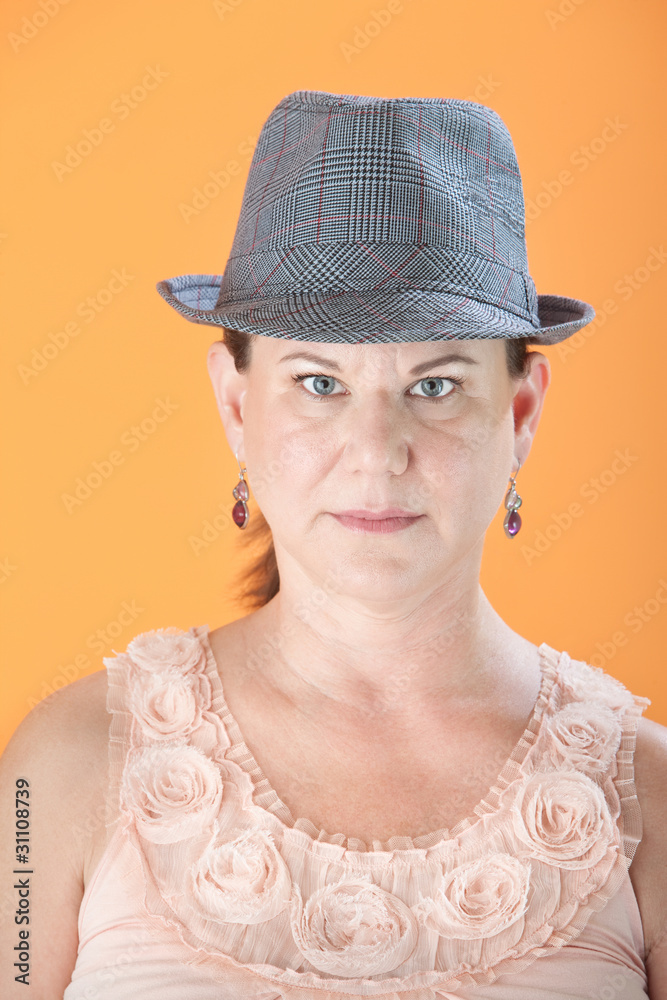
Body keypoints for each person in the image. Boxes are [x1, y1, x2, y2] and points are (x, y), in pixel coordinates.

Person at [1, 89, 665, 999]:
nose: (375, 452)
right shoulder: (63, 767)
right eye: (319, 382)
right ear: (237, 405)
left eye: (434, 386)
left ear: (519, 415)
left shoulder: (647, 796)